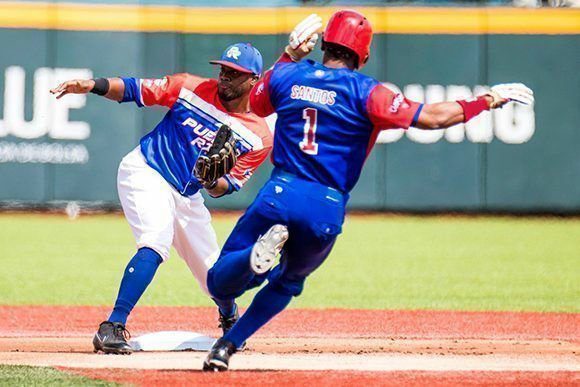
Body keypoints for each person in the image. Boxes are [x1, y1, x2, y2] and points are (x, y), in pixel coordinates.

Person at [201, 11, 534, 371]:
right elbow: (434, 118)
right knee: (287, 283)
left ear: (324, 43)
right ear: (365, 55)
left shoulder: (289, 74)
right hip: (326, 205)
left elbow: (257, 103)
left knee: (219, 283)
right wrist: (487, 99)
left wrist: (289, 55)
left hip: (280, 191)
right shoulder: (369, 92)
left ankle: (253, 258)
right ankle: (226, 347)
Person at [50, 43, 273, 355]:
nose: (224, 77)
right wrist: (93, 85)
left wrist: (212, 179)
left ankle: (229, 317)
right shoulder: (190, 88)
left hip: (189, 195)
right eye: (223, 69)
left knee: (215, 274)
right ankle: (112, 326)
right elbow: (134, 89)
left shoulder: (258, 136)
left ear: (254, 81)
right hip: (147, 170)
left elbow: (224, 186)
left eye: (234, 74)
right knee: (155, 241)